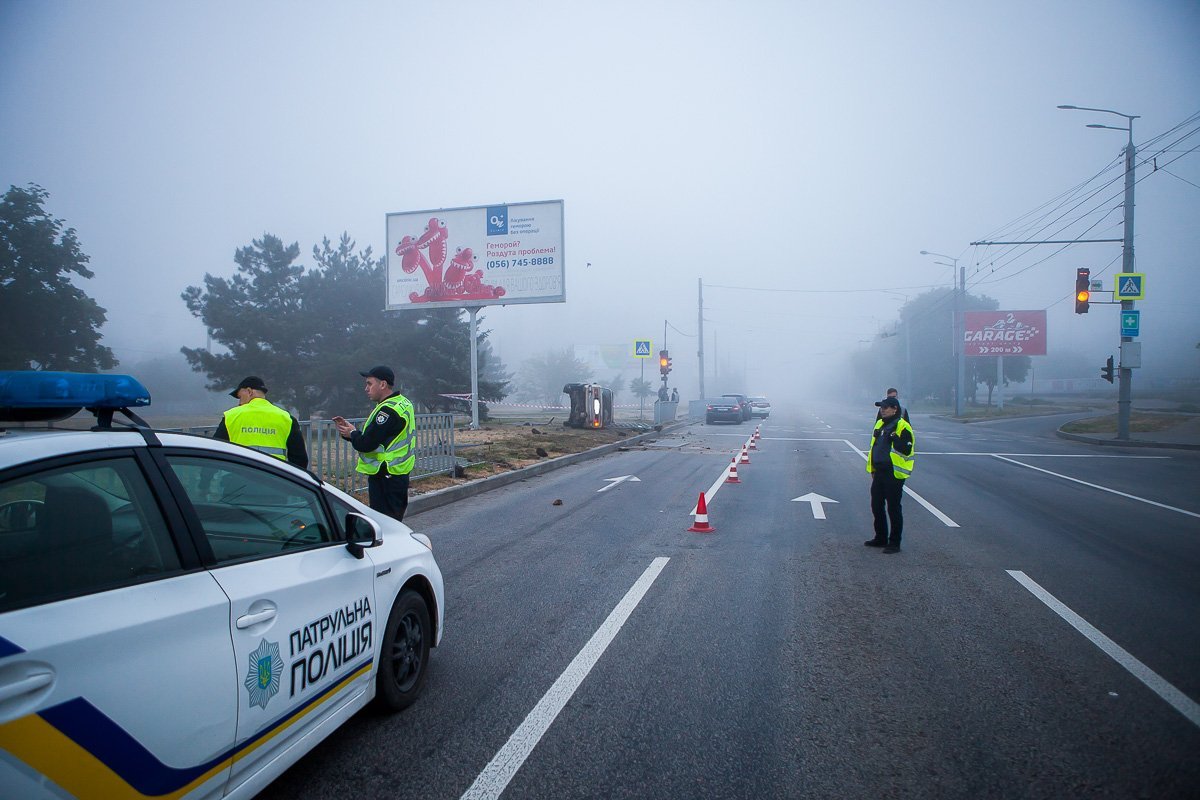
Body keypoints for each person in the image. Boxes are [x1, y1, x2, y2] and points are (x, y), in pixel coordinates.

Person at [333, 366, 415, 522]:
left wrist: (352, 434)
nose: (366, 389)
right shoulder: (402, 403)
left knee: (386, 525)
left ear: (383, 385)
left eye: (369, 384)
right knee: (393, 522)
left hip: (385, 474)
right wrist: (353, 433)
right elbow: (381, 437)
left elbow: (367, 444)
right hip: (397, 472)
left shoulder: (387, 411)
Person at [215, 376, 309, 468]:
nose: (239, 402)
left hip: (238, 478)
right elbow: (300, 460)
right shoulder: (286, 418)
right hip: (274, 478)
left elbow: (216, 451)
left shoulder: (231, 416)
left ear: (249, 391)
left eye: (240, 397)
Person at [865, 396, 915, 554]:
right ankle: (880, 537)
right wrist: (872, 468)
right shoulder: (880, 424)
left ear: (895, 409)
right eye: (881, 408)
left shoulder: (902, 426)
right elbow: (875, 447)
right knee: (876, 505)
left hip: (894, 473)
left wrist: (894, 437)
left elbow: (906, 449)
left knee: (893, 508)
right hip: (879, 471)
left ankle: (894, 542)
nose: (883, 410)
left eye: (886, 407)